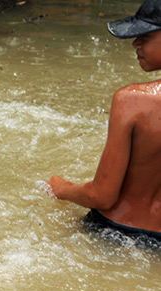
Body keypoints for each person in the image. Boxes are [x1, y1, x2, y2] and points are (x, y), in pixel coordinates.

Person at [47, 0, 161, 244]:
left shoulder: (132, 100)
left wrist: (61, 188)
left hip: (114, 233)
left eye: (146, 35)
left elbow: (102, 196)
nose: (135, 43)